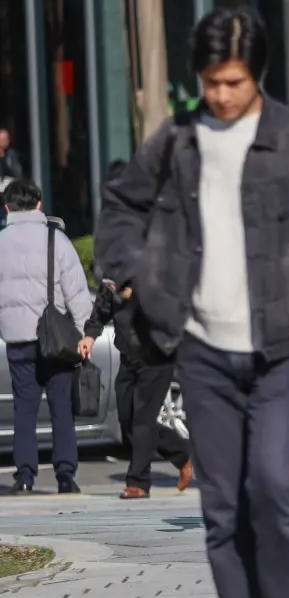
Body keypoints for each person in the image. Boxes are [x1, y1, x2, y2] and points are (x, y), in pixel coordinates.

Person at [96, 7, 289, 598]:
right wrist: (139, 279)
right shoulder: (178, 141)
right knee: (223, 505)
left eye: (234, 81)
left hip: (283, 347)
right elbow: (121, 207)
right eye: (211, 82)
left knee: (275, 488)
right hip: (204, 350)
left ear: (256, 76)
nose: (222, 95)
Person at [78, 160, 192, 500]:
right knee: (128, 418)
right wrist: (91, 333)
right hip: (128, 347)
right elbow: (105, 296)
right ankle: (183, 454)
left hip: (157, 345)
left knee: (142, 417)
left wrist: (136, 293)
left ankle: (137, 482)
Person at [0, 179, 91, 494]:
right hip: (56, 340)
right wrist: (86, 333)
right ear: (39, 205)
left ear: (7, 207)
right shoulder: (57, 240)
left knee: (24, 410)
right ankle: (65, 476)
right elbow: (77, 292)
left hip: (17, 340)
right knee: (61, 408)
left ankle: (25, 476)